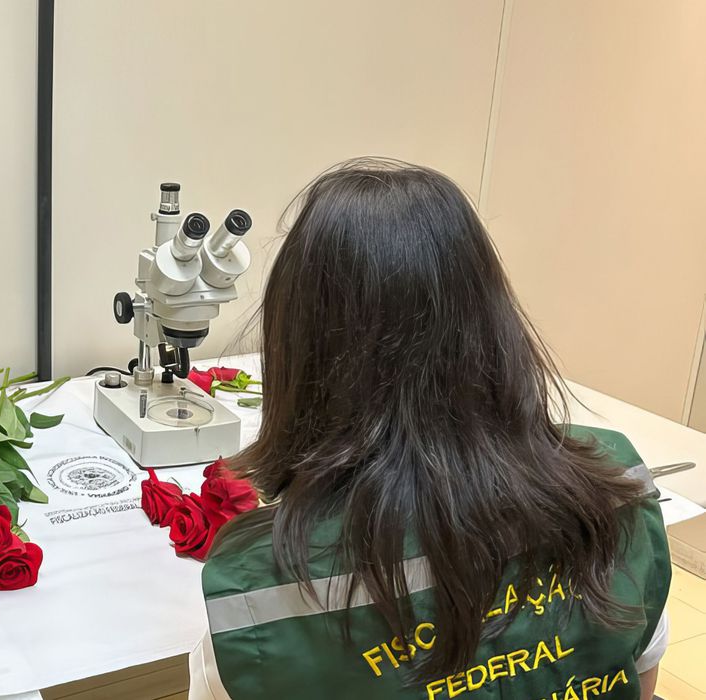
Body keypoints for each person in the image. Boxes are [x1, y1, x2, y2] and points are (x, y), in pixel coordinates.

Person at [189, 159, 670, 699]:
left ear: (300, 348)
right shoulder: (616, 487)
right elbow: (640, 678)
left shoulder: (255, 593)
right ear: (492, 317)